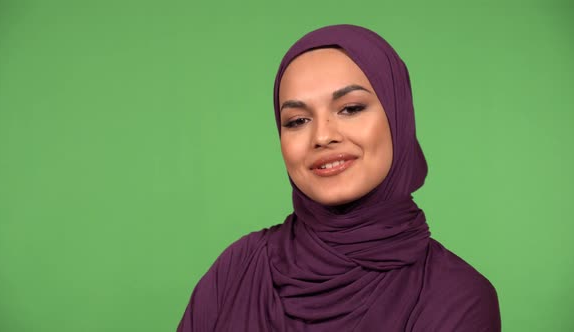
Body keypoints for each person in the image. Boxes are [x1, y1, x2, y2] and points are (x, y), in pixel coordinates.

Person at [177, 24, 501, 331]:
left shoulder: (457, 297)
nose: (322, 136)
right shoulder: (238, 268)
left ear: (397, 116)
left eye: (350, 108)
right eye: (298, 120)